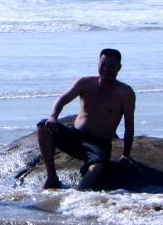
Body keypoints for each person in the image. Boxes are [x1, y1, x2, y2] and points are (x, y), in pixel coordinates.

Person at [35, 47, 135, 190]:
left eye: (111, 66)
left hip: (98, 144)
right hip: (75, 137)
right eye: (103, 64)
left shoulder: (125, 93)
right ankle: (52, 177)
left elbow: (129, 126)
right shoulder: (85, 83)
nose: (106, 69)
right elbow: (63, 99)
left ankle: (78, 196)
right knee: (43, 126)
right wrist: (53, 116)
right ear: (98, 64)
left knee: (97, 168)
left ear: (119, 67)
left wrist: (125, 155)